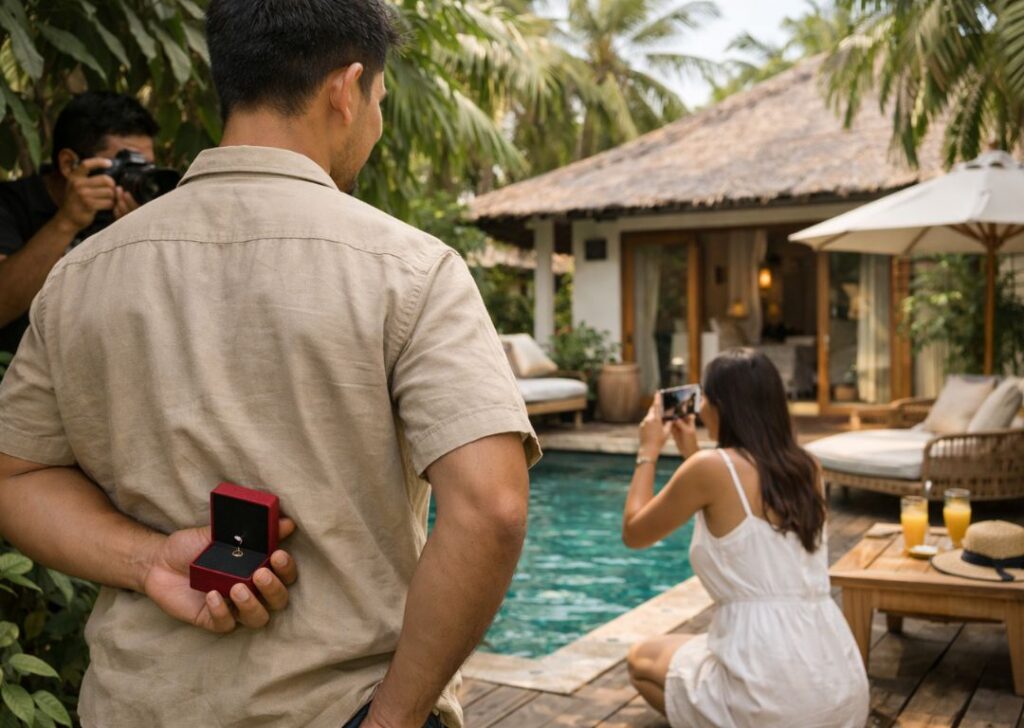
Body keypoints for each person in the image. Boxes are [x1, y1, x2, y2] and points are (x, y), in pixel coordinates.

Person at [0, 1, 539, 727]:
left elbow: (15, 475)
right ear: (345, 90)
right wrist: (393, 719)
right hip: (338, 709)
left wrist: (151, 560)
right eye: (379, 101)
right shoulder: (410, 270)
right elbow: (492, 507)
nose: (375, 123)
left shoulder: (81, 274)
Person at [621, 349, 868, 727]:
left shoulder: (709, 469)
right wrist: (691, 451)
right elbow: (730, 499)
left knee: (640, 660)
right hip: (838, 687)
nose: (701, 408)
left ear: (721, 406)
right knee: (691, 654)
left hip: (765, 690)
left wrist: (647, 450)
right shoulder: (808, 466)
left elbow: (634, 532)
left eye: (705, 398)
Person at [0, 91, 159, 354]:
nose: (135, 180)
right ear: (68, 164)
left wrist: (135, 234)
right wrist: (66, 222)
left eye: (145, 169)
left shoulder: (136, 210)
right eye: (125, 167)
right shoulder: (10, 205)